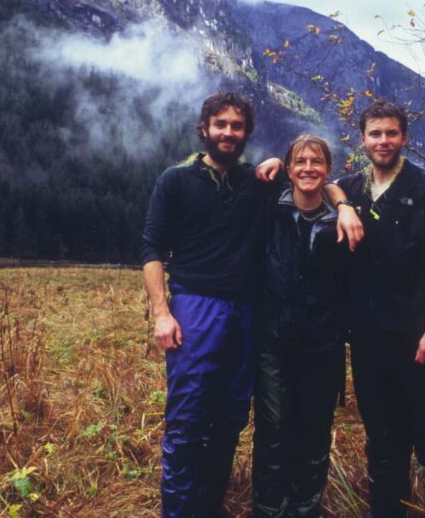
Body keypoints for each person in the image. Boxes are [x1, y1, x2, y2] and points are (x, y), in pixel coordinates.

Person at [141, 92, 362, 518]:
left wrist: (345, 204)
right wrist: (161, 313)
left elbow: (313, 177)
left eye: (236, 126)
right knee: (187, 421)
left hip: (247, 314)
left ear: (246, 133)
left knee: (229, 422)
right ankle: (179, 511)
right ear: (204, 128)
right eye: (220, 124)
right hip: (194, 307)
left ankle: (210, 506)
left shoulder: (257, 182)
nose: (228, 132)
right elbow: (152, 247)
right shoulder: (175, 179)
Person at [336, 101, 425, 518]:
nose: (383, 141)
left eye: (391, 133)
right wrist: (342, 203)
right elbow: (328, 186)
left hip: (421, 340)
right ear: (362, 139)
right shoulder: (353, 188)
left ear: (404, 137)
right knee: (382, 442)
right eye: (375, 134)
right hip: (369, 342)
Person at [252, 134, 349, 518]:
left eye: (316, 162)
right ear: (289, 169)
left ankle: (305, 510)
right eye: (300, 162)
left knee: (313, 434)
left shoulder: (339, 222)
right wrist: (274, 157)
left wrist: (345, 204)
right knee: (273, 430)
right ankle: (268, 510)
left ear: (328, 171)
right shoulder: (270, 208)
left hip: (321, 346)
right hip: (272, 341)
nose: (308, 168)